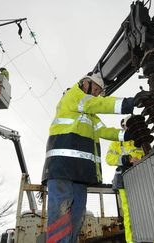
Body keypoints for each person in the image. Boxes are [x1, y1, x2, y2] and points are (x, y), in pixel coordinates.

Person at [42, 72, 135, 243]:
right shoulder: (74, 95)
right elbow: (99, 104)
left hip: (80, 172)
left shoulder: (89, 114)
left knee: (77, 215)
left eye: (100, 91)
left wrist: (127, 135)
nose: (97, 93)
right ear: (86, 83)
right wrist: (130, 103)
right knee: (60, 214)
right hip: (61, 167)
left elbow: (104, 131)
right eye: (97, 89)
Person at [106, 115, 145, 243]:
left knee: (147, 208)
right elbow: (109, 159)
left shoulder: (141, 139)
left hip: (142, 177)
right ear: (124, 126)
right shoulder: (117, 142)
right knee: (129, 213)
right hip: (125, 178)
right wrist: (127, 159)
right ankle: (132, 241)